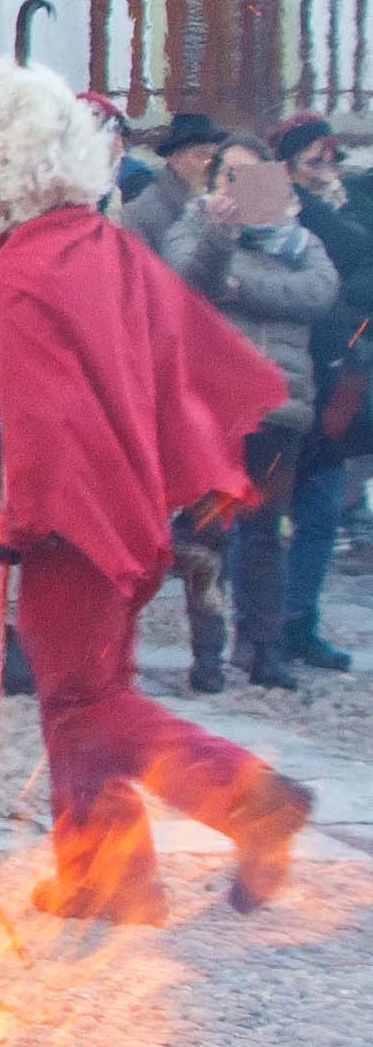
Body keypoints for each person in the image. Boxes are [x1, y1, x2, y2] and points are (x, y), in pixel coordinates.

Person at [0, 60, 310, 923]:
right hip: (121, 497)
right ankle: (110, 873)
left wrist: (20, 517)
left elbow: (45, 416)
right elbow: (174, 358)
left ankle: (250, 799)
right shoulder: (96, 242)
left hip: (75, 512)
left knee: (88, 702)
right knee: (87, 690)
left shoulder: (23, 269)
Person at [158, 131, 340, 690]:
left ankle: (262, 648)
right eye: (229, 175)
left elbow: (319, 292)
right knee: (205, 532)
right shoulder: (196, 226)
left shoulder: (298, 240)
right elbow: (192, 279)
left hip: (281, 406)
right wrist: (221, 234)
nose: (240, 188)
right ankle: (207, 652)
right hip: (216, 406)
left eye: (252, 176)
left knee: (266, 532)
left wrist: (241, 287)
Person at [277, 113, 373, 669]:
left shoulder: (345, 204)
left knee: (322, 509)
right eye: (314, 160)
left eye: (331, 159)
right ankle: (258, 630)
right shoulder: (273, 201)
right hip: (285, 372)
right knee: (259, 514)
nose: (326, 170)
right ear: (288, 164)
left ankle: (297, 622)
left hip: (333, 376)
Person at [122, 112, 227, 252]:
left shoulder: (214, 205)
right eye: (201, 155)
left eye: (213, 158)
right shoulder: (140, 213)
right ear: (175, 159)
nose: (209, 164)